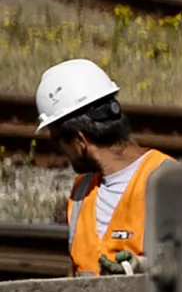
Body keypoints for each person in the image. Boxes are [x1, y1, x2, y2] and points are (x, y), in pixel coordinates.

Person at [42, 59, 157, 277]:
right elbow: (74, 271)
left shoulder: (165, 178)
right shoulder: (82, 188)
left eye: (57, 140)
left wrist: (142, 266)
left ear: (79, 140)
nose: (59, 151)